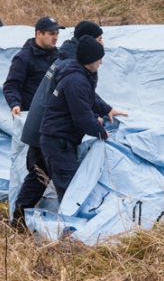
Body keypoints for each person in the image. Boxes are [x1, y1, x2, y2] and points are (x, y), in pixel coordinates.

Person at [14, 21, 105, 224]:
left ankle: (18, 221)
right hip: (50, 131)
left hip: (42, 128)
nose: (102, 45)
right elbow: (78, 102)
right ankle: (68, 229)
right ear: (87, 43)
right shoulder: (71, 64)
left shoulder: (65, 59)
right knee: (66, 183)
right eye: (99, 41)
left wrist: (105, 109)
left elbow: (84, 98)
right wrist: (97, 125)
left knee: (38, 176)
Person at [39, 36, 127, 201]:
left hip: (60, 138)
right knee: (71, 189)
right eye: (99, 58)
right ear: (89, 59)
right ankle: (68, 225)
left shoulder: (80, 75)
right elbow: (83, 119)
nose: (101, 62)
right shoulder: (76, 80)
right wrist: (103, 133)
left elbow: (89, 98)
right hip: (57, 141)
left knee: (67, 185)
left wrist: (107, 109)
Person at [3, 16, 63, 117]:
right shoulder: (23, 58)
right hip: (33, 116)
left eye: (57, 33)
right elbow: (11, 85)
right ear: (39, 34)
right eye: (51, 33)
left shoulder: (58, 56)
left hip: (55, 116)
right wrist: (15, 104)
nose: (55, 37)